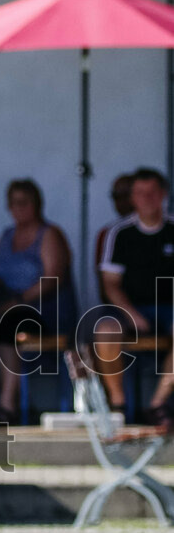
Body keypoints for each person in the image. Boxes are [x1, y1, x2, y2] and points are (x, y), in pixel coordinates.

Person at [0, 178, 76, 422]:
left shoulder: (50, 234)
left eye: (24, 202)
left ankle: (7, 406)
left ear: (37, 204)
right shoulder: (7, 235)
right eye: (13, 203)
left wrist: (19, 300)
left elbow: (54, 278)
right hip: (7, 312)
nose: (18, 208)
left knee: (9, 325)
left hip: (45, 313)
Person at [96, 167, 174, 418]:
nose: (147, 199)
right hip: (129, 308)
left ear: (163, 194)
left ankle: (157, 404)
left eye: (152, 193)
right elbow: (110, 284)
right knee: (104, 330)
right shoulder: (119, 233)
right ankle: (118, 406)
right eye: (140, 193)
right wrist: (131, 313)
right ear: (133, 198)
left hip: (169, 309)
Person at [95, 173, 134, 301]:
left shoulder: (165, 229)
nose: (121, 201)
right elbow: (104, 289)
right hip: (122, 307)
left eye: (126, 195)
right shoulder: (107, 234)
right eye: (116, 196)